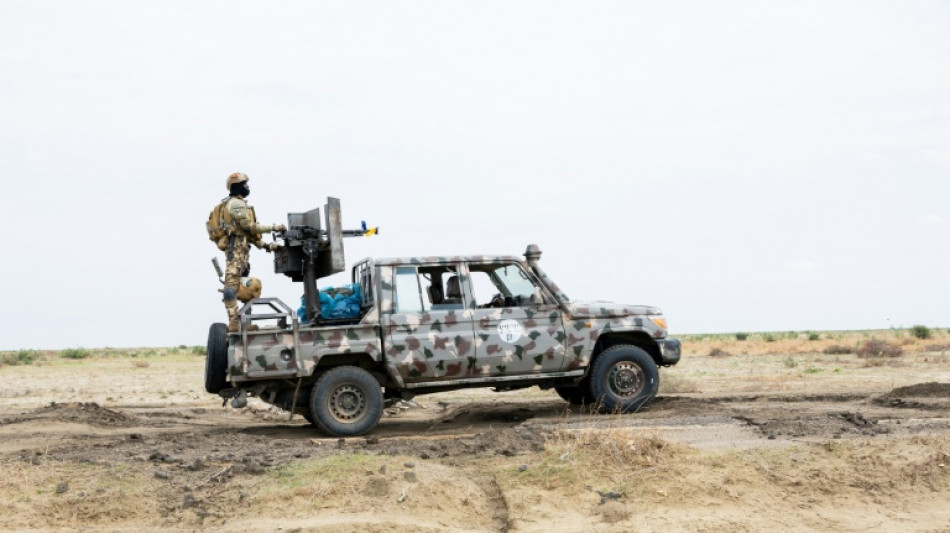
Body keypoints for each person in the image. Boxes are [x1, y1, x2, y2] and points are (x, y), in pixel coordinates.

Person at [218, 172, 286, 332]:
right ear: (236, 186)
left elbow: (249, 235)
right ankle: (234, 325)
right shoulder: (236, 204)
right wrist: (273, 227)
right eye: (244, 184)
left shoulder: (239, 203)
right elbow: (250, 227)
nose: (247, 186)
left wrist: (266, 246)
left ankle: (245, 324)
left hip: (242, 252)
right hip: (236, 251)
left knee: (246, 288)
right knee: (231, 286)